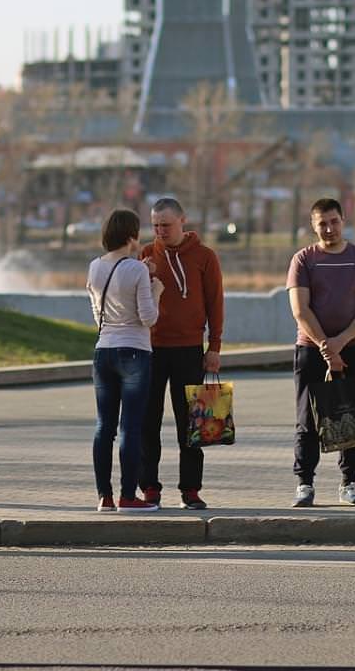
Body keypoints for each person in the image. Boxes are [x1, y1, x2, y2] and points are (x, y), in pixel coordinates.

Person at [286, 198, 355, 507]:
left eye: (334, 221)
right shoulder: (303, 260)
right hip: (310, 350)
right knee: (308, 419)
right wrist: (326, 346)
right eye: (322, 224)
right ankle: (305, 483)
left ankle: (349, 482)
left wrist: (340, 342)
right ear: (313, 226)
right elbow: (301, 310)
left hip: (353, 348)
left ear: (343, 220)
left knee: (351, 417)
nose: (329, 229)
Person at [137, 198, 224, 510]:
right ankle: (149, 486)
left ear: (182, 222)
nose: (160, 231)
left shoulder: (204, 257)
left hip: (189, 350)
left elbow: (215, 304)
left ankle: (191, 489)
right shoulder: (146, 254)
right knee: (148, 420)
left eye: (166, 225)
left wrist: (214, 347)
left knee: (191, 422)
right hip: (151, 349)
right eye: (156, 225)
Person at [87, 209, 165, 513]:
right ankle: (128, 496)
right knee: (130, 426)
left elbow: (98, 315)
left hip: (103, 350)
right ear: (131, 236)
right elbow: (149, 318)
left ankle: (104, 496)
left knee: (103, 426)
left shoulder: (94, 267)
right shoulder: (137, 271)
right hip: (134, 352)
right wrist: (155, 290)